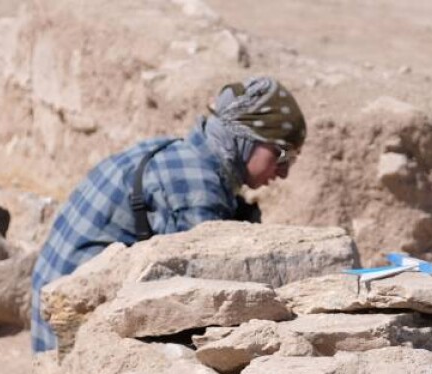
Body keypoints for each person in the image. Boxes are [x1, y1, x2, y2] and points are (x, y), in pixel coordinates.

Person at [30, 76, 307, 352]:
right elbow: (207, 298)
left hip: (49, 316)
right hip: (66, 331)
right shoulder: (197, 188)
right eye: (282, 155)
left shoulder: (181, 154)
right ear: (246, 138)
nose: (284, 172)